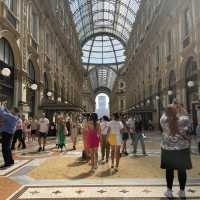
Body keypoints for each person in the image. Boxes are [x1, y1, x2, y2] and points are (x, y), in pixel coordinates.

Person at [160, 105, 192, 199]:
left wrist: (170, 109)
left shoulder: (163, 121)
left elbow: (164, 115)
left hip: (167, 149)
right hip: (182, 149)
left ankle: (169, 191)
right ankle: (182, 191)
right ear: (177, 111)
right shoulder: (184, 120)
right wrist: (180, 109)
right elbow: (186, 115)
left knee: (169, 170)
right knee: (182, 170)